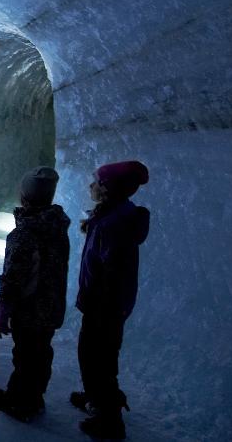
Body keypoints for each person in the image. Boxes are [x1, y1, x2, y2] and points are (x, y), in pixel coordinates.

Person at [70, 161, 149, 440]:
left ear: (107, 190)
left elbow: (111, 270)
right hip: (107, 303)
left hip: (104, 305)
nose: (91, 186)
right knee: (94, 354)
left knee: (99, 358)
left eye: (96, 182)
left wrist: (97, 302)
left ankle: (109, 420)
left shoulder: (114, 224)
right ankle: (96, 398)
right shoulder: (114, 215)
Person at [0, 166, 71, 423]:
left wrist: (4, 310)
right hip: (51, 307)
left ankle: (19, 401)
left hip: (29, 309)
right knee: (41, 353)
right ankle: (35, 397)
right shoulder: (58, 226)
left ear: (24, 197)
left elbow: (13, 277)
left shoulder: (23, 234)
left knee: (25, 355)